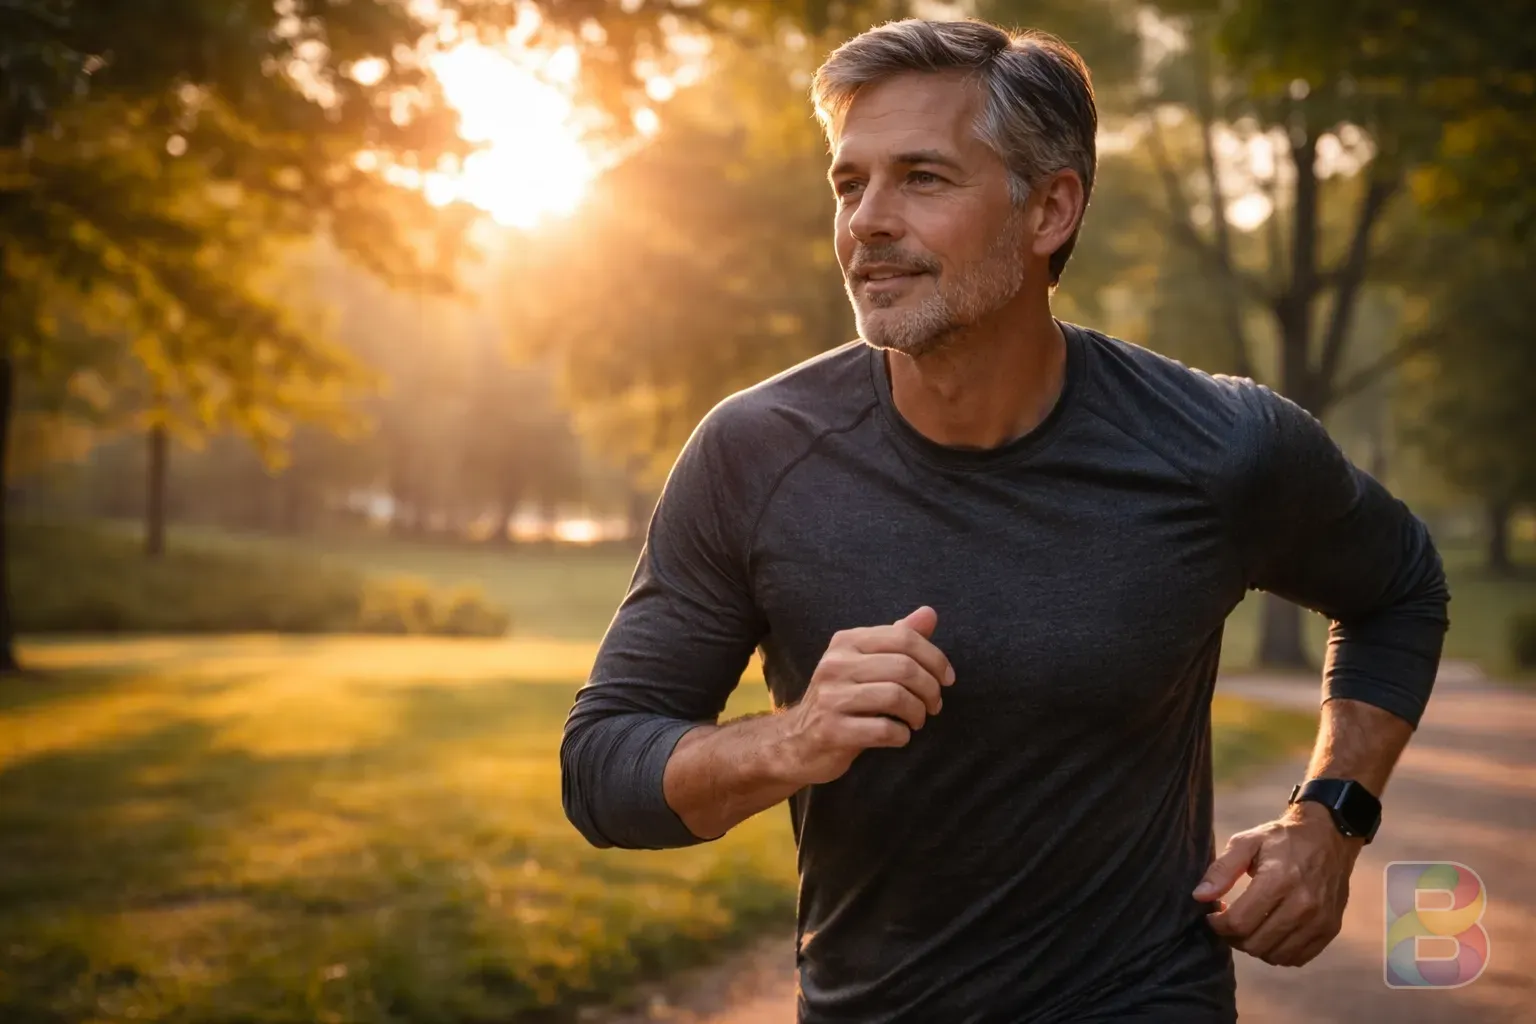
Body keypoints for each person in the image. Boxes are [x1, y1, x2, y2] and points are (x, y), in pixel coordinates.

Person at [561, 17, 1449, 1024]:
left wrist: (1331, 816)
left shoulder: (1215, 446)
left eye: (923, 179)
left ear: (1051, 209)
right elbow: (602, 768)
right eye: (850, 185)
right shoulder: (754, 454)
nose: (867, 223)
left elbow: (1401, 586)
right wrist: (790, 739)